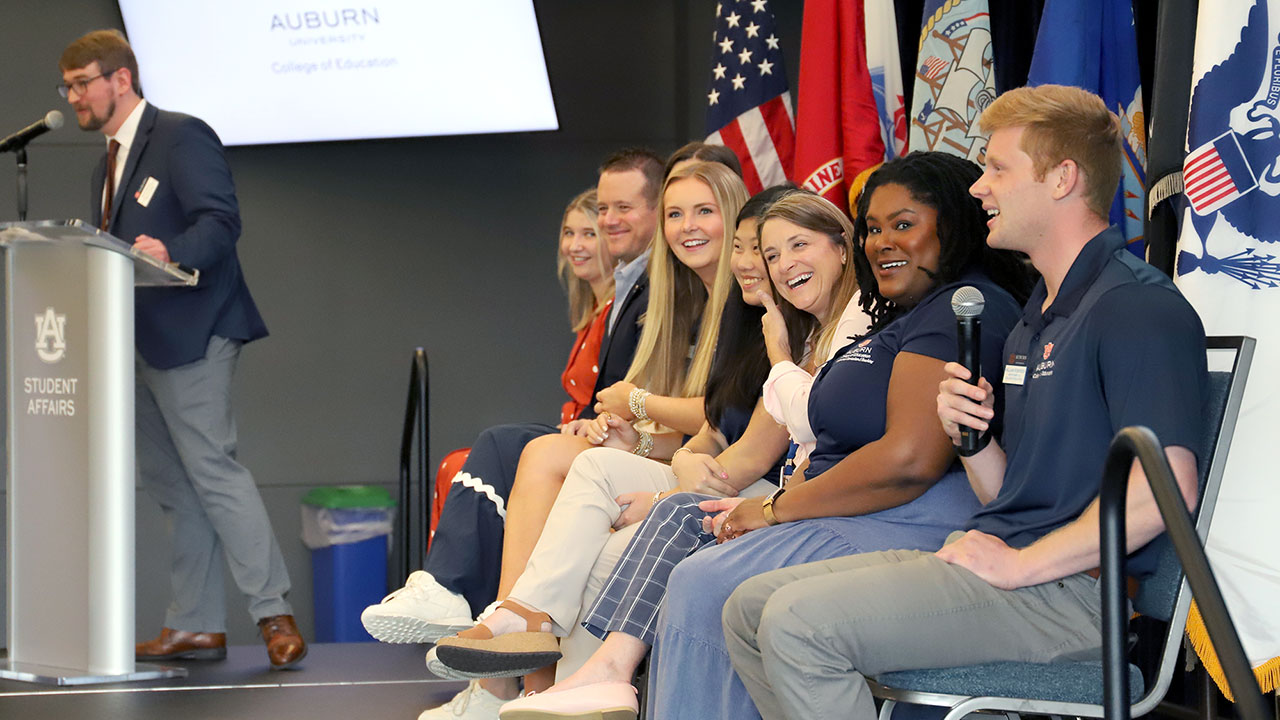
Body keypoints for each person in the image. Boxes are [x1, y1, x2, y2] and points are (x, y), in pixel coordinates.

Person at [721, 85, 1209, 720]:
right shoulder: (1042, 314)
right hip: (1004, 562)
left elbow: (1165, 490)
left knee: (797, 623)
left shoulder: (1134, 305)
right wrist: (974, 442)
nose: (979, 188)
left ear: (1062, 179)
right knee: (747, 608)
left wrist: (1020, 564)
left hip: (1080, 597)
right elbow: (1016, 496)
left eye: (999, 168)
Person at [498, 152, 1032, 720]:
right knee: (672, 542)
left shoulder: (958, 308)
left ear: (953, 222)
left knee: (703, 579)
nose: (882, 243)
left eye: (903, 224)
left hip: (905, 516)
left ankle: (586, 666)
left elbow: (907, 460)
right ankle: (573, 670)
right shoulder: (896, 318)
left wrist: (774, 508)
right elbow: (797, 448)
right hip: (844, 507)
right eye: (874, 229)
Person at [363, 146, 745, 648]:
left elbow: (726, 417)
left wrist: (637, 407)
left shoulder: (749, 297)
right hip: (684, 456)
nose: (686, 226)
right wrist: (636, 437)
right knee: (531, 451)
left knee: (520, 448)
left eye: (703, 212)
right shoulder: (683, 302)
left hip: (735, 474)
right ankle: (505, 640)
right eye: (677, 214)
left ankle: (494, 632)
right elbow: (690, 431)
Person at [423, 185, 799, 693]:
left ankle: (555, 687)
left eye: (771, 250)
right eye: (746, 248)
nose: (754, 261)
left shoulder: (794, 333)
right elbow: (713, 428)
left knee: (600, 545)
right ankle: (525, 623)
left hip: (766, 496)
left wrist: (661, 476)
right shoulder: (747, 320)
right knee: (589, 464)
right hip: (711, 475)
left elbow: (752, 453)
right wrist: (647, 444)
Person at [58, 29, 304, 669]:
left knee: (214, 471)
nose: (74, 96)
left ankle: (273, 613)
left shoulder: (179, 135)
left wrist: (173, 253)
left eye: (82, 82)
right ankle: (194, 625)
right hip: (134, 344)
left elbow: (220, 222)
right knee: (174, 486)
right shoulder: (106, 161)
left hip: (194, 330)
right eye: (68, 86)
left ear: (121, 79)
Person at [557, 189, 615, 426]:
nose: (574, 246)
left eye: (589, 234)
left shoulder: (616, 313)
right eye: (569, 233)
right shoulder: (592, 311)